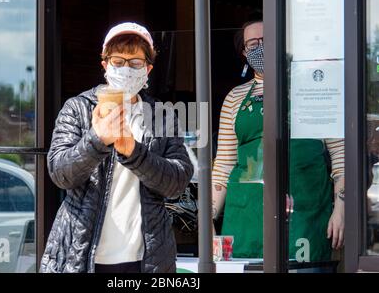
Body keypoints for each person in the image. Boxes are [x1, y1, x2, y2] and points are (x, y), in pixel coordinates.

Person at [40, 22, 193, 273]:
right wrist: (97, 140)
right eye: (118, 61)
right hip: (80, 254)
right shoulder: (77, 109)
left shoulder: (162, 116)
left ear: (148, 70)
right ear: (105, 65)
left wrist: (134, 152)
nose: (126, 69)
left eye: (135, 63)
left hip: (147, 259)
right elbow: (59, 172)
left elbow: (177, 181)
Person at [211, 20, 345, 262]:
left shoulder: (313, 89)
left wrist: (341, 208)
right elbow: (223, 165)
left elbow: (341, 155)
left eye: (267, 40)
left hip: (305, 213)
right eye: (253, 44)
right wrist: (207, 220)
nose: (261, 47)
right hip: (245, 218)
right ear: (244, 53)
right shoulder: (234, 98)